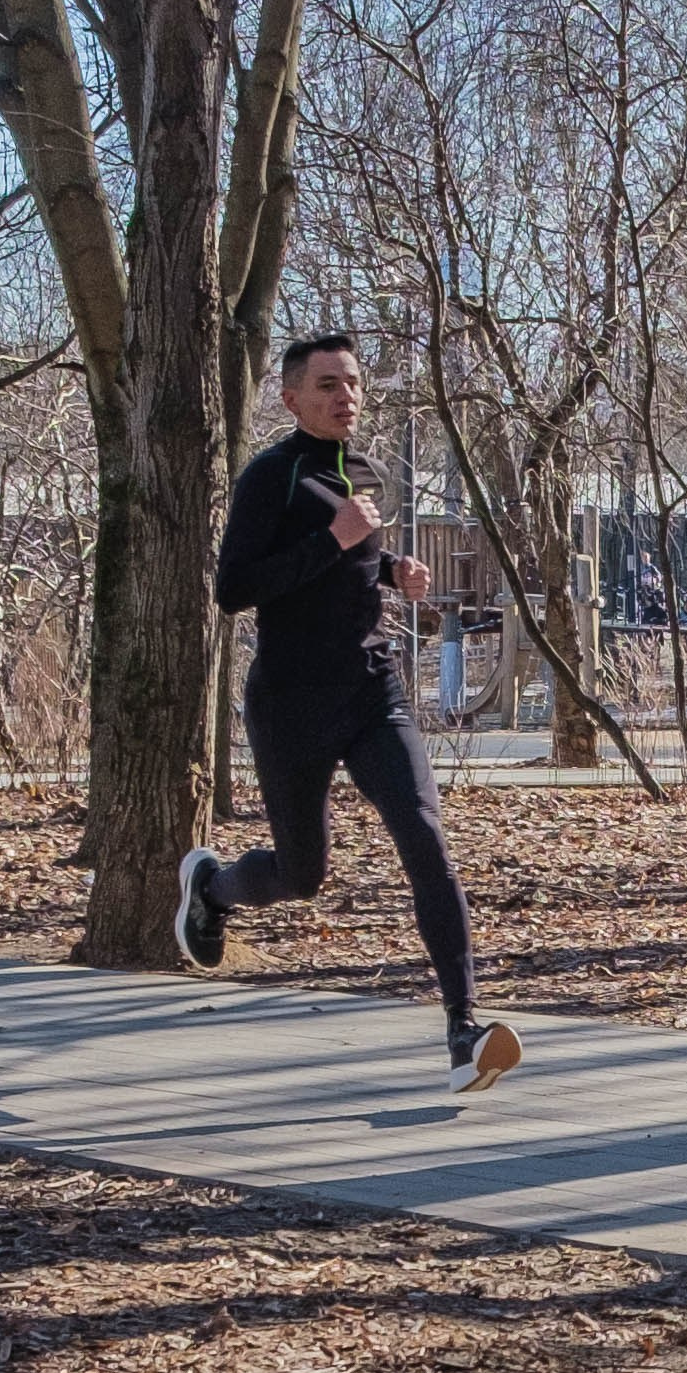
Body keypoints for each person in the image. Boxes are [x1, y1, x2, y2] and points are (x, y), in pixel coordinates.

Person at [175, 331, 523, 1098]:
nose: (346, 397)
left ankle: (464, 1030)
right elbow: (234, 588)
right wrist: (335, 541)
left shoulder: (362, 468)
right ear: (291, 396)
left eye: (355, 383)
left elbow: (357, 554)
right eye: (328, 384)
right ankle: (212, 891)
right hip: (292, 703)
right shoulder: (270, 477)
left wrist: (394, 568)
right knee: (302, 874)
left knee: (425, 836)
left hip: (373, 691)